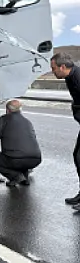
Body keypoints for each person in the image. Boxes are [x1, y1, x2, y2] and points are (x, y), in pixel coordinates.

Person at [0, 99, 41, 187]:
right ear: (20, 109)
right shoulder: (27, 121)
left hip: (15, 159)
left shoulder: (4, 119)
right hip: (35, 159)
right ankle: (25, 177)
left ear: (7, 110)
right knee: (21, 155)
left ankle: (15, 176)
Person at [50, 53, 80, 205]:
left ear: (62, 67)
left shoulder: (78, 77)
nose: (53, 72)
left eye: (54, 68)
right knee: (77, 156)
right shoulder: (69, 77)